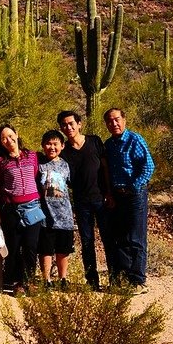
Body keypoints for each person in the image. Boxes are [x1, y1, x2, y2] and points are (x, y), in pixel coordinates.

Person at [57, 110, 115, 291]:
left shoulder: (95, 141)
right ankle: (92, 281)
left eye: (71, 123)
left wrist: (109, 192)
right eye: (64, 125)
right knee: (87, 242)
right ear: (61, 128)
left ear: (79, 124)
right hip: (82, 203)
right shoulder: (64, 151)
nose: (69, 127)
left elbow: (105, 168)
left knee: (108, 239)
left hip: (101, 199)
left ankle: (115, 279)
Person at [103, 107, 155, 295]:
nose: (114, 123)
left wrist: (134, 187)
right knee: (121, 237)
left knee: (136, 237)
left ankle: (138, 280)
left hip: (135, 195)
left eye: (117, 119)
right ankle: (125, 278)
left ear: (124, 120)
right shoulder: (109, 144)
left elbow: (148, 167)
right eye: (109, 121)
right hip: (117, 195)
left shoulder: (135, 140)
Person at [0, 124, 42, 296]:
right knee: (14, 247)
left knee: (31, 247)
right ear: (0, 142)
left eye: (10, 136)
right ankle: (16, 282)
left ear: (17, 135)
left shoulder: (32, 156)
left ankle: (30, 281)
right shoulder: (0, 162)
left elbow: (36, 176)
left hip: (33, 207)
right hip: (11, 209)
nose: (8, 140)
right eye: (4, 138)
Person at [35, 130, 75, 290]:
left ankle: (63, 278)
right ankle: (47, 280)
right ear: (43, 146)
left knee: (63, 250)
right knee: (45, 250)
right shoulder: (39, 165)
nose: (52, 147)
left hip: (64, 216)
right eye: (48, 144)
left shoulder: (65, 165)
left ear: (62, 146)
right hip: (45, 216)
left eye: (55, 144)